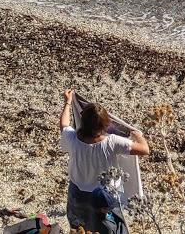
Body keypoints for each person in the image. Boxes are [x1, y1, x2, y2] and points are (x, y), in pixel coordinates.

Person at [59, 90, 149, 234]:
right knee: (109, 229)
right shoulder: (112, 142)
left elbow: (64, 125)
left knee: (79, 229)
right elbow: (145, 150)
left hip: (78, 192)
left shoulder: (73, 139)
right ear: (105, 126)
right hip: (105, 197)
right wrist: (139, 136)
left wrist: (68, 102)